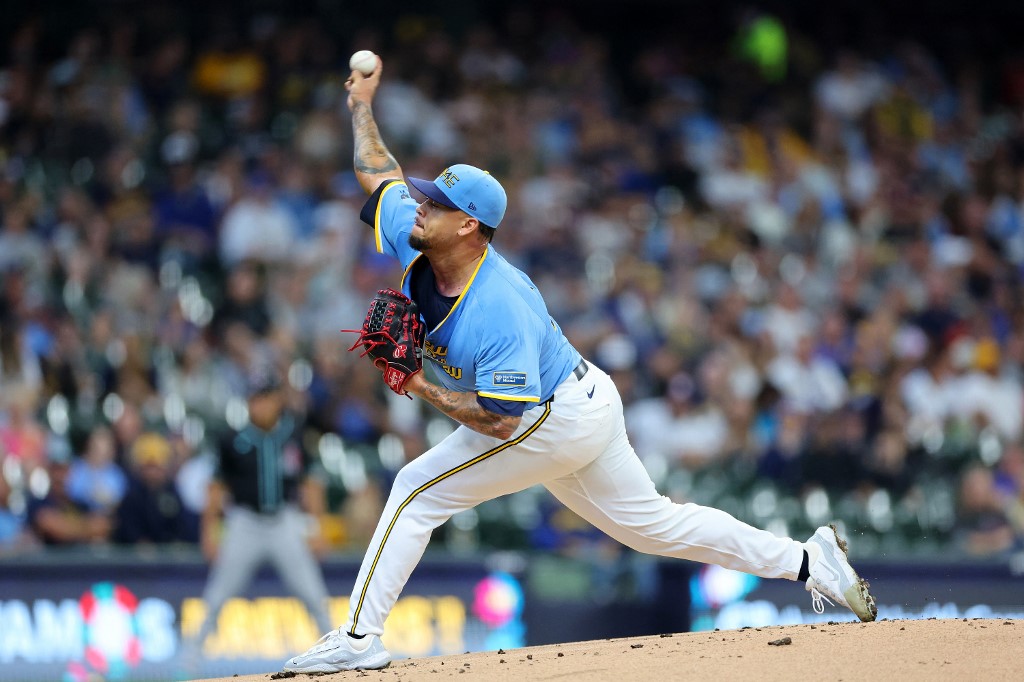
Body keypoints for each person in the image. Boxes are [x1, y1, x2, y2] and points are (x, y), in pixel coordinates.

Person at [283, 56, 877, 674]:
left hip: (548, 415)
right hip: (582, 398)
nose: (418, 205)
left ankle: (357, 640)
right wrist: (360, 106)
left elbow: (499, 422)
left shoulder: (498, 305)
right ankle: (809, 562)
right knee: (656, 529)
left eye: (434, 202)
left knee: (414, 491)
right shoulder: (420, 233)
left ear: (468, 226)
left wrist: (417, 383)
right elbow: (377, 171)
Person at [189, 368, 333, 661]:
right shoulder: (232, 439)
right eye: (255, 399)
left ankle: (334, 653)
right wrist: (208, 533)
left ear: (278, 399)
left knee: (314, 595)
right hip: (245, 523)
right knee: (217, 596)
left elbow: (311, 484)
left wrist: (318, 529)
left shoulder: (294, 432)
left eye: (266, 398)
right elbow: (215, 488)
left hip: (286, 521)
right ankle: (188, 662)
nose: (261, 405)